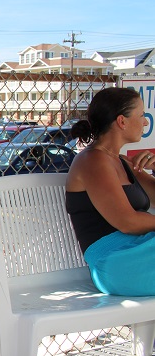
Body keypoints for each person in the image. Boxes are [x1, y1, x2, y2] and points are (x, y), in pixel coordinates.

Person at [66, 87, 155, 296]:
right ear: (122, 121)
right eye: (141, 115)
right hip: (117, 261)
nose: (145, 122)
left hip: (140, 249)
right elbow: (127, 222)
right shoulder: (92, 161)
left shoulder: (121, 161)